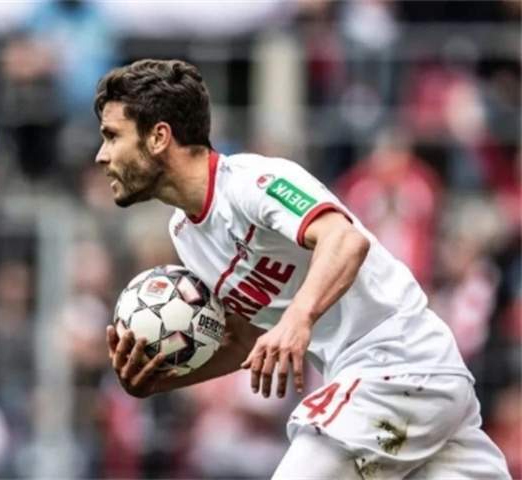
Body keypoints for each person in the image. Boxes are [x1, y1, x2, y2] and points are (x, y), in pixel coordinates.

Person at [94, 59, 510, 479]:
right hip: (405, 385)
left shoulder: (254, 182)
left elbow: (345, 240)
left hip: (396, 365)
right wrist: (159, 382)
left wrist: (299, 318)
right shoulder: (185, 233)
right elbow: (245, 339)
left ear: (159, 137)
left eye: (112, 136)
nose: (101, 155)